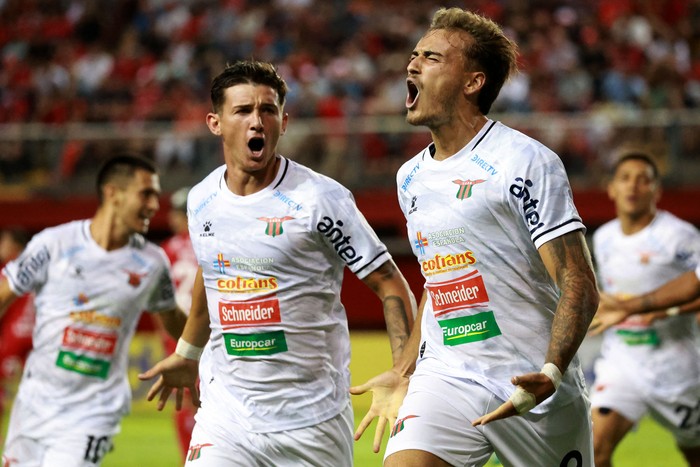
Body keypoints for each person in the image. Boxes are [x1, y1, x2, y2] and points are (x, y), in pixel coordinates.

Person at [350, 7, 599, 466]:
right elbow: (438, 281)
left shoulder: (525, 162)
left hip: (532, 386)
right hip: (448, 378)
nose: (412, 64)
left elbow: (578, 280)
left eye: (431, 57)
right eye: (413, 54)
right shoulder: (410, 177)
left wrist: (551, 371)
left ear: (472, 82)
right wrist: (404, 369)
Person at [138, 60, 416, 467]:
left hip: (311, 424)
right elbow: (211, 275)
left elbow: (391, 284)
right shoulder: (201, 199)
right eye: (243, 111)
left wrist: (401, 371)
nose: (257, 122)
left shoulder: (321, 199)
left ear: (283, 122)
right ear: (215, 123)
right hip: (225, 418)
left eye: (267, 111)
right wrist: (187, 352)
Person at [0, 154, 187, 467]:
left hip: (94, 410)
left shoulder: (153, 263)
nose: (155, 205)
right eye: (146, 194)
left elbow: (173, 322)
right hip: (34, 404)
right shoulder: (53, 245)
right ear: (113, 193)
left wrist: (205, 347)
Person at [586, 152, 700, 466]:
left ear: (656, 190)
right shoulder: (604, 237)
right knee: (595, 447)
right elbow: (611, 297)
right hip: (622, 361)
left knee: (694, 452)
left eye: (643, 179)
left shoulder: (679, 236)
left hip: (675, 368)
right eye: (625, 178)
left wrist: (665, 312)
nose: (633, 186)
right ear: (611, 189)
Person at [159, 186, 198, 461]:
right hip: (211, 332)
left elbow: (157, 304)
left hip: (178, 336)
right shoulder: (211, 243)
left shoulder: (166, 252)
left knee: (184, 403)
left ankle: (192, 458)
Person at [0, 228, 35, 442]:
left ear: (15, 246)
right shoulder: (40, 266)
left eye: (4, 241)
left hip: (13, 338)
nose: (1, 247)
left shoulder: (8, 271)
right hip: (39, 338)